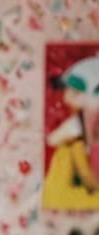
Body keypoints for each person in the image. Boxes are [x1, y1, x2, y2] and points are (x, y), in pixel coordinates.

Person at [42, 54, 99, 210]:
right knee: (69, 151)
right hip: (80, 185)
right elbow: (52, 140)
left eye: (75, 92)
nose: (67, 97)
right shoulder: (74, 129)